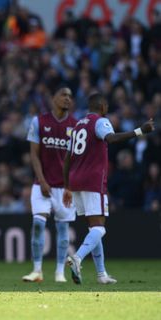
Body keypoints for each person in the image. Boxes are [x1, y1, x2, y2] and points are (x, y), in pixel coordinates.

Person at [63, 92, 155, 284]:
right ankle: (77, 257)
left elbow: (66, 159)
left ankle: (101, 274)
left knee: (93, 228)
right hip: (93, 180)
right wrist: (140, 131)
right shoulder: (100, 121)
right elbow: (111, 139)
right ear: (103, 106)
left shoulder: (77, 125)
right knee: (100, 229)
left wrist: (67, 186)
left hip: (75, 180)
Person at [22, 87, 77, 283]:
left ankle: (59, 272)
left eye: (70, 96)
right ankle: (37, 270)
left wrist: (71, 187)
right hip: (42, 185)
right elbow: (34, 155)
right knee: (38, 224)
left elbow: (77, 160)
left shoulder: (76, 126)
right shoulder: (39, 122)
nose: (67, 99)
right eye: (63, 95)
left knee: (63, 229)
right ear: (53, 98)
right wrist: (43, 181)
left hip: (65, 188)